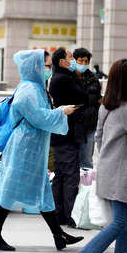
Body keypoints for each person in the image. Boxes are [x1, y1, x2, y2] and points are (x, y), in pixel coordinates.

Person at [0, 49, 82, 251]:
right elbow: (38, 117)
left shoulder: (36, 87)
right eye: (47, 66)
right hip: (25, 148)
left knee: (43, 192)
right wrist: (60, 112)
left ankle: (59, 235)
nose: (49, 69)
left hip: (33, 148)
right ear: (36, 66)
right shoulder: (29, 89)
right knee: (11, 190)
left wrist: (57, 112)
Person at [69, 59, 127, 253]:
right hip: (121, 172)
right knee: (122, 220)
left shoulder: (105, 105)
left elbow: (98, 137)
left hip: (107, 167)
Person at [49, 48, 88, 227]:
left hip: (61, 134)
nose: (74, 61)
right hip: (66, 134)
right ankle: (69, 214)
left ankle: (59, 213)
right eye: (71, 57)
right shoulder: (64, 78)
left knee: (61, 175)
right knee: (70, 175)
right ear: (62, 61)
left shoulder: (58, 77)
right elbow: (83, 96)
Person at [73, 48, 102, 169]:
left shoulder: (93, 78)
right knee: (71, 161)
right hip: (73, 125)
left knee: (86, 162)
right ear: (74, 61)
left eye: (86, 61)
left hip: (90, 125)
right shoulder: (68, 77)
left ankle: (86, 187)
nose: (83, 64)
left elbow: (98, 98)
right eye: (81, 61)